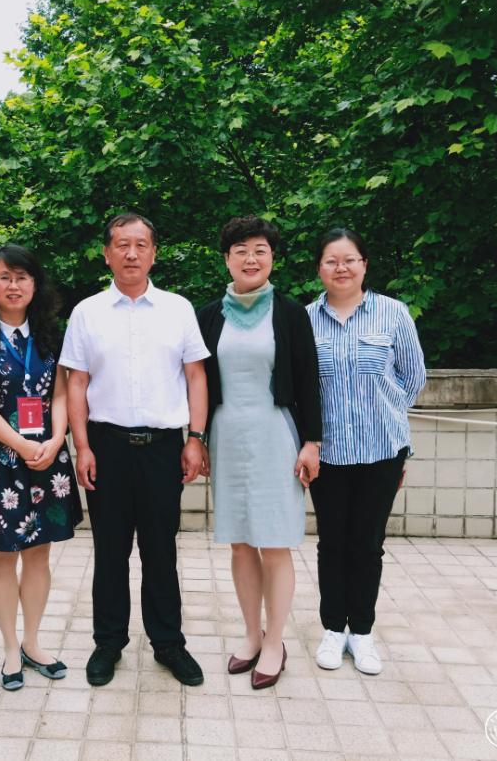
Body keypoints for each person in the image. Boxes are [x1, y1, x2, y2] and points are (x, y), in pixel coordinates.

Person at [59, 212, 210, 688]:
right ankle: (108, 643)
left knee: (161, 549)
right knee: (109, 550)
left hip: (164, 447)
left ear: (153, 253)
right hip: (106, 446)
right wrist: (82, 446)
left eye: (141, 244)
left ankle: (168, 643)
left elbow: (196, 376)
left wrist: (195, 438)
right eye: (122, 245)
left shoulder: (177, 309)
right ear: (107, 254)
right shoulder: (87, 312)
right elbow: (76, 383)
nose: (131, 253)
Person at [0, 244, 83, 691]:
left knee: (39, 554)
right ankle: (10, 647)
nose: (14, 285)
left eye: (22, 277)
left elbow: (60, 394)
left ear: (35, 284)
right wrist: (21, 443)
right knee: (3, 556)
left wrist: (56, 439)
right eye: (4, 276)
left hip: (46, 456)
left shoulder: (52, 336)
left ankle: (33, 642)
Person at [196, 216, 322, 689]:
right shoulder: (209, 316)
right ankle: (251, 635)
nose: (251, 259)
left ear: (272, 258)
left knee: (274, 542)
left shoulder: (290, 314)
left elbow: (308, 380)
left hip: (276, 435)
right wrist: (197, 438)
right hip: (227, 436)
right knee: (240, 542)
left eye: (260, 250)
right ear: (226, 259)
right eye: (241, 250)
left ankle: (276, 642)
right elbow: (197, 384)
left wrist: (312, 442)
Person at [306, 227, 426, 676]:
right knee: (332, 542)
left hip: (382, 450)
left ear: (364, 265)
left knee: (368, 544)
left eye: (349, 260)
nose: (341, 268)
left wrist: (385, 414)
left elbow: (413, 378)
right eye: (331, 260)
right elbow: (303, 389)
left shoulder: (393, 314)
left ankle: (362, 631)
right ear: (319, 268)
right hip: (328, 453)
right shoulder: (306, 319)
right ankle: (332, 629)